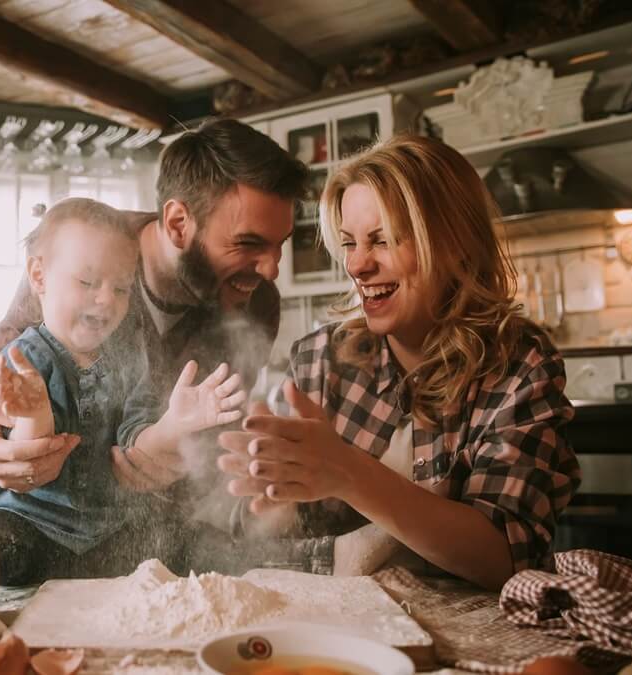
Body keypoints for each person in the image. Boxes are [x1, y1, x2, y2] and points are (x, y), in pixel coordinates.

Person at [0, 118, 311, 568]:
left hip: (136, 536)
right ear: (177, 223)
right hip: (45, 526)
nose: (270, 269)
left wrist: (183, 456)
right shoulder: (84, 258)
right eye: (248, 244)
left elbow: (208, 445)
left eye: (279, 245)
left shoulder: (256, 304)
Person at [0, 199, 248, 671]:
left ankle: (307, 558)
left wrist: (174, 426)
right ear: (39, 277)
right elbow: (29, 457)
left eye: (121, 288)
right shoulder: (24, 358)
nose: (106, 299)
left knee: (187, 531)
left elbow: (136, 442)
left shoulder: (130, 358)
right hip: (31, 534)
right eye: (87, 282)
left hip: (111, 541)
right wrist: (34, 415)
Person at [218, 134, 582, 590]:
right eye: (350, 243)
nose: (357, 265)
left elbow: (505, 558)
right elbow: (254, 547)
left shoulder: (518, 366)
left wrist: (349, 472)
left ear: (455, 244)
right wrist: (272, 503)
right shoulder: (321, 360)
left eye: (383, 240)